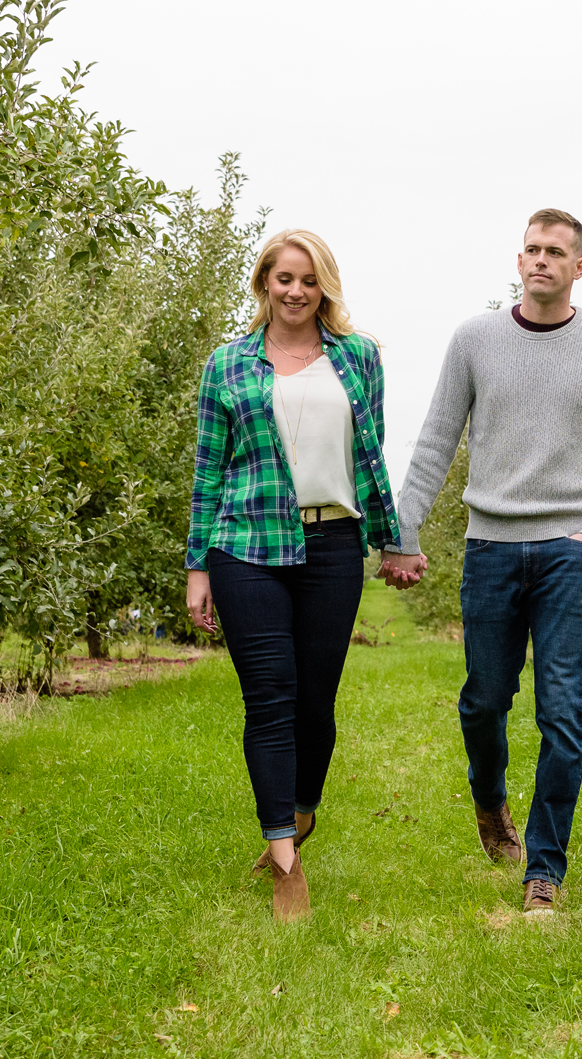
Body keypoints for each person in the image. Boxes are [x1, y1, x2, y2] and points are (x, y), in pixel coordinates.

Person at [377, 208, 582, 915]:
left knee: (564, 713)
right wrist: (402, 530)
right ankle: (490, 800)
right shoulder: (475, 339)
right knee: (484, 699)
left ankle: (545, 866)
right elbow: (436, 439)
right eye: (532, 248)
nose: (541, 261)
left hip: (570, 554)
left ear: (579, 267)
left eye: (556, 252)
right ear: (518, 258)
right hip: (490, 547)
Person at [186, 228, 401, 922]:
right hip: (246, 543)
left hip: (333, 544)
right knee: (271, 697)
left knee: (316, 705)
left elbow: (370, 452)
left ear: (324, 287)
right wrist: (198, 566)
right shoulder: (227, 364)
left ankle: (300, 812)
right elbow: (207, 473)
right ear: (262, 283)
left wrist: (394, 538)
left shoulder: (358, 357)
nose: (296, 291)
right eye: (283, 278)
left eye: (308, 280)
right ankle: (284, 856)